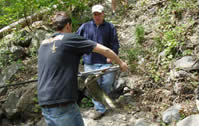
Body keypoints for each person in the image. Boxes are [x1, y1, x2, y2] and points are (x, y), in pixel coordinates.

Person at [37, 11, 128, 126]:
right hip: (62, 101)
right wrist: (120, 63)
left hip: (44, 102)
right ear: (68, 25)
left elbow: (53, 66)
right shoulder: (69, 38)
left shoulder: (43, 44)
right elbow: (104, 50)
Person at [76, 4, 120, 120]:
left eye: (99, 14)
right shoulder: (85, 27)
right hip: (90, 62)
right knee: (93, 86)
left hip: (106, 61)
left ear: (103, 14)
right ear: (92, 15)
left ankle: (104, 104)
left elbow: (115, 43)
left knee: (107, 83)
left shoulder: (110, 27)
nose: (97, 16)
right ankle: (100, 109)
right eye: (95, 14)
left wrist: (112, 56)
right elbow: (76, 41)